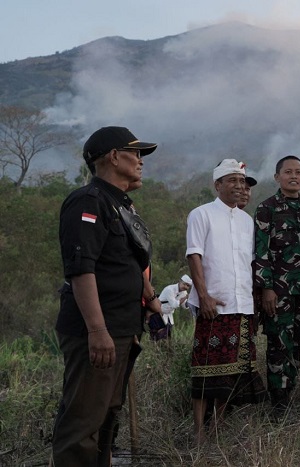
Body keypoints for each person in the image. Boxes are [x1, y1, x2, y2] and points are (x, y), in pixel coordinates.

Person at [52, 126, 158, 466]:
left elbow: (126, 263)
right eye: (135, 153)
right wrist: (97, 331)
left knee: (106, 414)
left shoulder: (120, 205)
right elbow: (82, 269)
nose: (141, 161)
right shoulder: (88, 201)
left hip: (123, 327)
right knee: (83, 418)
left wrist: (148, 296)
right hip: (98, 331)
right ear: (114, 156)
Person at [186, 159, 266, 443]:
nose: (238, 186)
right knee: (205, 368)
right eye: (231, 180)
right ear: (217, 184)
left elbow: (251, 264)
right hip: (214, 305)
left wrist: (254, 303)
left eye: (241, 181)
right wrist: (204, 296)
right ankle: (198, 431)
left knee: (230, 372)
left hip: (242, 305)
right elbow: (194, 255)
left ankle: (218, 426)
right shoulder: (201, 214)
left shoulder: (247, 221)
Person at [253, 155, 300, 412]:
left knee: (298, 342)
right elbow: (261, 251)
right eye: (288, 172)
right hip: (278, 290)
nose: (294, 176)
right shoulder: (266, 208)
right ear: (277, 177)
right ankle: (278, 401)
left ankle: (289, 392)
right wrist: (266, 288)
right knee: (279, 343)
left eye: (298, 172)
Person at [149, 274, 192, 340]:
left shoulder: (184, 293)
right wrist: (186, 297)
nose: (185, 287)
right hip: (159, 313)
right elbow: (174, 304)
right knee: (158, 336)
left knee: (168, 336)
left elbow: (184, 305)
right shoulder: (170, 289)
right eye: (184, 284)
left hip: (169, 315)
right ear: (180, 281)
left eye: (188, 286)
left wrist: (190, 301)